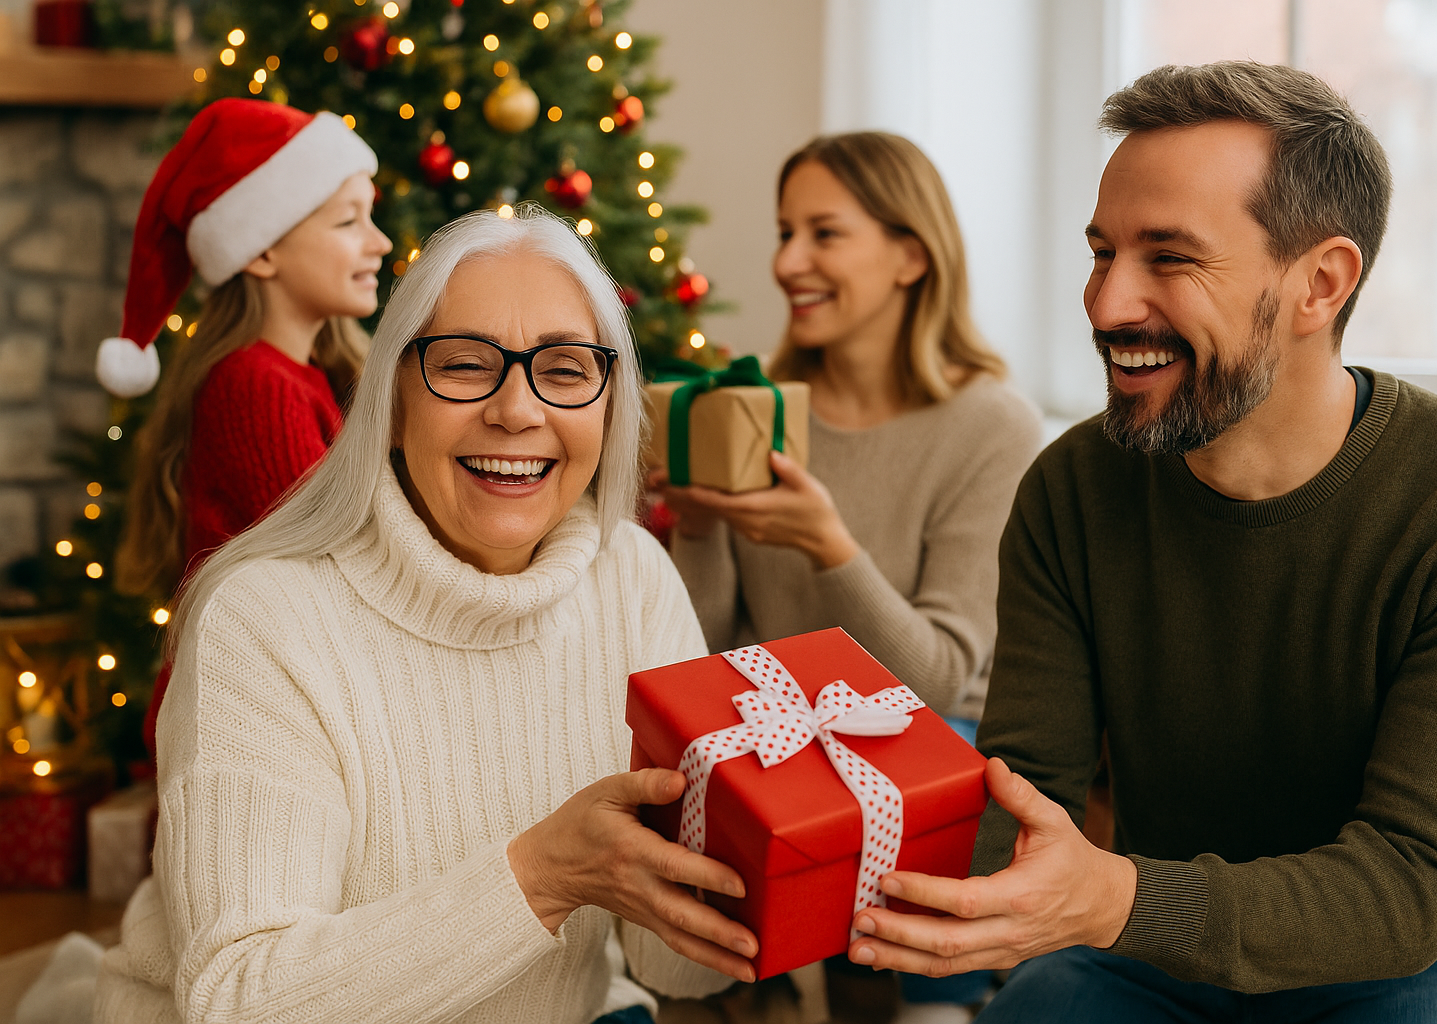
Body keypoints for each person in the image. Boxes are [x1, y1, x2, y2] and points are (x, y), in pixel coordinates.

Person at [841, 62, 1437, 1022]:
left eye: (1169, 258)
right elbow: (1021, 798)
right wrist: (807, 851)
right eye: (1102, 252)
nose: (1108, 303)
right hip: (1161, 948)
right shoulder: (1074, 488)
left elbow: (1405, 891)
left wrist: (1113, 896)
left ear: (1320, 285)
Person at [94, 208, 754, 1024]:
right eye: (467, 364)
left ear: (610, 403)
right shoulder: (266, 618)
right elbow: (239, 1001)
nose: (518, 410)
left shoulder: (634, 580)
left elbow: (677, 967)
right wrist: (542, 878)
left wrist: (795, 887)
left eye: (566, 369)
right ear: (395, 403)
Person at [662, 132, 1042, 1021]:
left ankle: (930, 993)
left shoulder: (992, 427)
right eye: (784, 231)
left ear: (911, 254)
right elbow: (706, 653)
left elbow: (941, 677)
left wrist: (831, 546)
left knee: (931, 742)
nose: (788, 260)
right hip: (779, 753)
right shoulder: (760, 411)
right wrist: (704, 522)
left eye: (823, 233)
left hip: (930, 759)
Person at [105, 98, 393, 764]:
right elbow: (342, 557)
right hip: (246, 728)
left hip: (275, 705)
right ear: (263, 248)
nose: (378, 241)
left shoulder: (304, 374)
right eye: (350, 221)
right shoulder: (253, 387)